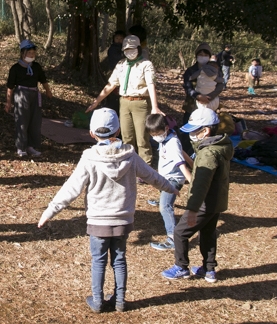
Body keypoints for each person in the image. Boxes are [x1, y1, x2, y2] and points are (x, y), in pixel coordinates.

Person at [38, 108, 179, 313]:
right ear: (119, 130)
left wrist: (49, 212)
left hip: (98, 221)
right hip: (123, 219)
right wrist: (170, 187)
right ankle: (120, 300)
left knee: (99, 260)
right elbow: (152, 176)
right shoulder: (130, 156)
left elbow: (71, 188)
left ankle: (97, 301)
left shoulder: (89, 158)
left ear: (92, 133)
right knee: (119, 259)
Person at [161, 107, 233, 283]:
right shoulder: (219, 147)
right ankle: (209, 270)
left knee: (179, 233)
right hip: (216, 201)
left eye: (194, 131)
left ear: (206, 131)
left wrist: (192, 209)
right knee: (208, 233)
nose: (191, 135)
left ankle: (181, 267)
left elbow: (200, 185)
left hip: (204, 203)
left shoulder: (208, 153)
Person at [86, 35, 163, 166]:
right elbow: (111, 85)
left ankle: (145, 167)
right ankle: (128, 164)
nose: (129, 51)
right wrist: (96, 102)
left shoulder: (146, 64)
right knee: (126, 136)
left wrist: (155, 107)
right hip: (124, 102)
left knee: (142, 138)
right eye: (126, 49)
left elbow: (151, 85)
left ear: (138, 48)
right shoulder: (121, 64)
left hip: (141, 103)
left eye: (132, 48)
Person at [145, 114, 192, 251]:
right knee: (164, 198)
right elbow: (182, 152)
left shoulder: (172, 142)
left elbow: (181, 163)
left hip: (173, 179)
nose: (155, 137)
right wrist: (193, 163)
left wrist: (193, 184)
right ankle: (163, 199)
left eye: (158, 134)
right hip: (165, 177)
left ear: (166, 128)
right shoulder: (168, 137)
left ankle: (173, 238)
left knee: (165, 207)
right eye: (152, 134)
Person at [5, 40, 53, 157]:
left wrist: (48, 90)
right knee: (22, 121)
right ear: (23, 53)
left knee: (35, 121)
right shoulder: (15, 68)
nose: (31, 55)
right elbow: (10, 87)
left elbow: (43, 80)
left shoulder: (36, 66)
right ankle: (21, 147)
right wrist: (8, 102)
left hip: (34, 94)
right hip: (21, 94)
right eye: (29, 53)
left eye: (33, 53)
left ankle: (31, 146)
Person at [181, 43, 225, 154]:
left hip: (210, 104)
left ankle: (207, 154)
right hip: (192, 105)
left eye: (205, 54)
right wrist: (197, 96)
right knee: (189, 131)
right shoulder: (191, 71)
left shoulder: (216, 69)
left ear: (209, 56)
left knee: (209, 130)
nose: (202, 56)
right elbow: (187, 86)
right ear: (196, 56)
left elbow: (221, 84)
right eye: (200, 54)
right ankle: (188, 155)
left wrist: (211, 96)